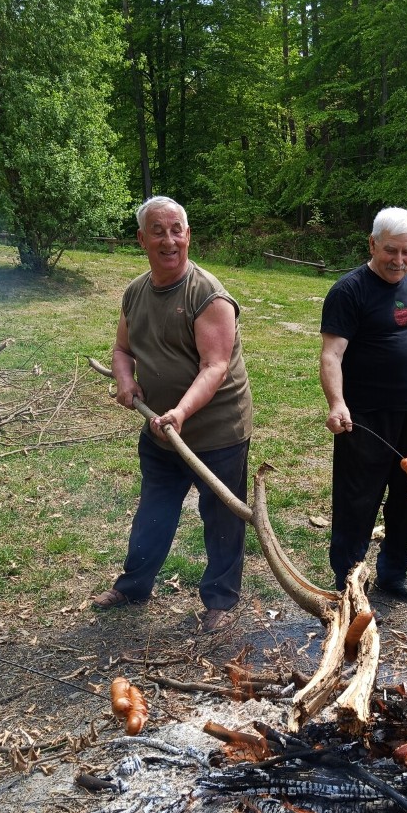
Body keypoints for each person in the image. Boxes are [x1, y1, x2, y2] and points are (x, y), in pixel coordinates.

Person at [90, 196, 253, 634]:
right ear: (141, 239)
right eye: (158, 231)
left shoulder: (208, 294)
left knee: (221, 516)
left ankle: (220, 601)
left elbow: (214, 366)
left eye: (176, 229)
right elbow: (123, 349)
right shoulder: (135, 292)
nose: (169, 240)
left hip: (217, 429)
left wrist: (179, 412)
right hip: (160, 428)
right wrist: (125, 379)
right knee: (155, 510)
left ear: (188, 235)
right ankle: (134, 586)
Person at [319, 206, 407, 603]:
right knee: (358, 501)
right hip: (365, 418)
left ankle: (393, 573)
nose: (400, 260)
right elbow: (331, 355)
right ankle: (348, 582)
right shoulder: (348, 290)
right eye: (391, 250)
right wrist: (337, 402)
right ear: (372, 244)